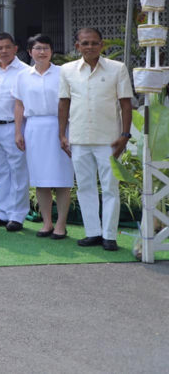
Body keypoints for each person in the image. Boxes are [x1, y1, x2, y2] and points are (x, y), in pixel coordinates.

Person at [58, 27, 133, 251]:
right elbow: (64, 102)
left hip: (109, 139)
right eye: (85, 43)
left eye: (94, 43)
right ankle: (93, 232)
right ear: (77, 46)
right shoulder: (67, 70)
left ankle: (109, 236)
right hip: (79, 139)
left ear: (101, 45)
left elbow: (126, 103)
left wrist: (125, 135)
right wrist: (62, 134)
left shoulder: (117, 69)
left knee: (110, 187)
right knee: (84, 187)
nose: (89, 47)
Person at [14, 34, 74, 240]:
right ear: (30, 52)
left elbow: (68, 102)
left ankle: (61, 224)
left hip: (60, 127)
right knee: (41, 180)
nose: (42, 52)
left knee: (62, 179)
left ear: (52, 51)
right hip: (34, 128)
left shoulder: (63, 73)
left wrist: (64, 132)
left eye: (46, 48)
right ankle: (47, 222)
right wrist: (18, 132)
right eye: (37, 48)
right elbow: (19, 104)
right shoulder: (23, 75)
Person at [0, 33, 31, 231]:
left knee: (18, 172)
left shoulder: (25, 71)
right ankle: (2, 212)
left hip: (15, 127)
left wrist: (19, 131)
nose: (3, 51)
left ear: (15, 48)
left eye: (7, 47)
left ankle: (18, 215)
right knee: (1, 171)